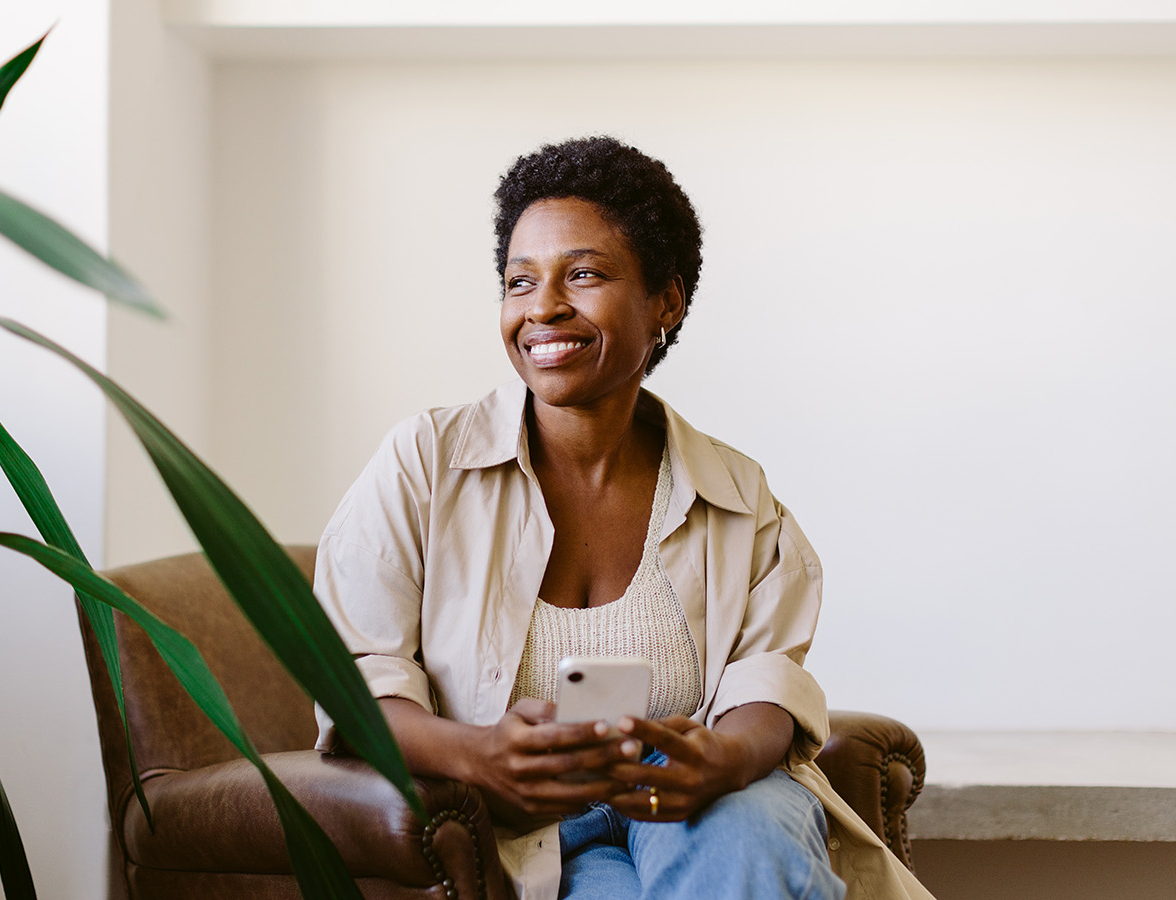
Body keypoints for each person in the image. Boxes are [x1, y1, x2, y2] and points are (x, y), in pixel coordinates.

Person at [314, 136, 933, 900]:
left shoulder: (735, 493)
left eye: (584, 274)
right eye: (519, 281)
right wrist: (475, 753)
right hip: (529, 831)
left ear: (664, 301)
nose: (542, 307)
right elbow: (355, 681)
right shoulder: (422, 464)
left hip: (706, 804)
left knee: (744, 843)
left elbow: (768, 683)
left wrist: (726, 760)